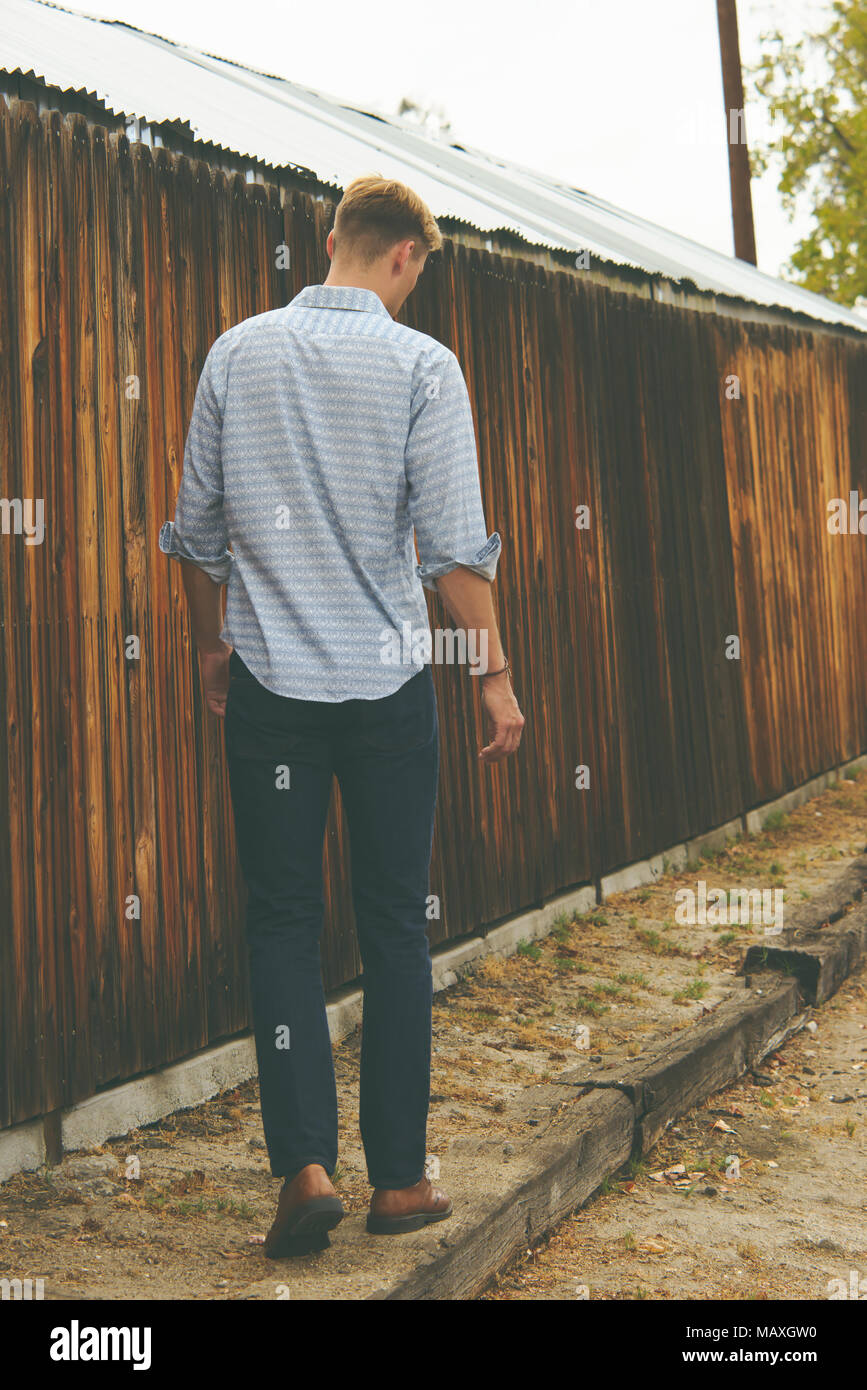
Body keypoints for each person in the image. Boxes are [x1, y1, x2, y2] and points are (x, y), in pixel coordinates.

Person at [159, 174, 524, 1257]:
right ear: (407, 256)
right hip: (386, 694)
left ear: (332, 241)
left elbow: (195, 530)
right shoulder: (423, 366)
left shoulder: (236, 351)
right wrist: (493, 674)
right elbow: (456, 551)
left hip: (271, 687)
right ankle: (401, 1181)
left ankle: (305, 1165)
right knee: (393, 926)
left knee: (281, 923)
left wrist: (213, 644)